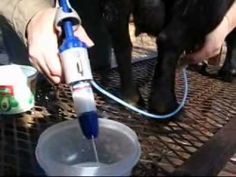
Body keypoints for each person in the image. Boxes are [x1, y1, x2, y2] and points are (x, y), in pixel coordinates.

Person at [0, 0, 235, 83]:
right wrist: (31, 12)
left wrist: (226, 19)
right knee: (35, 79)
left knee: (94, 69)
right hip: (36, 22)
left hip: (90, 13)